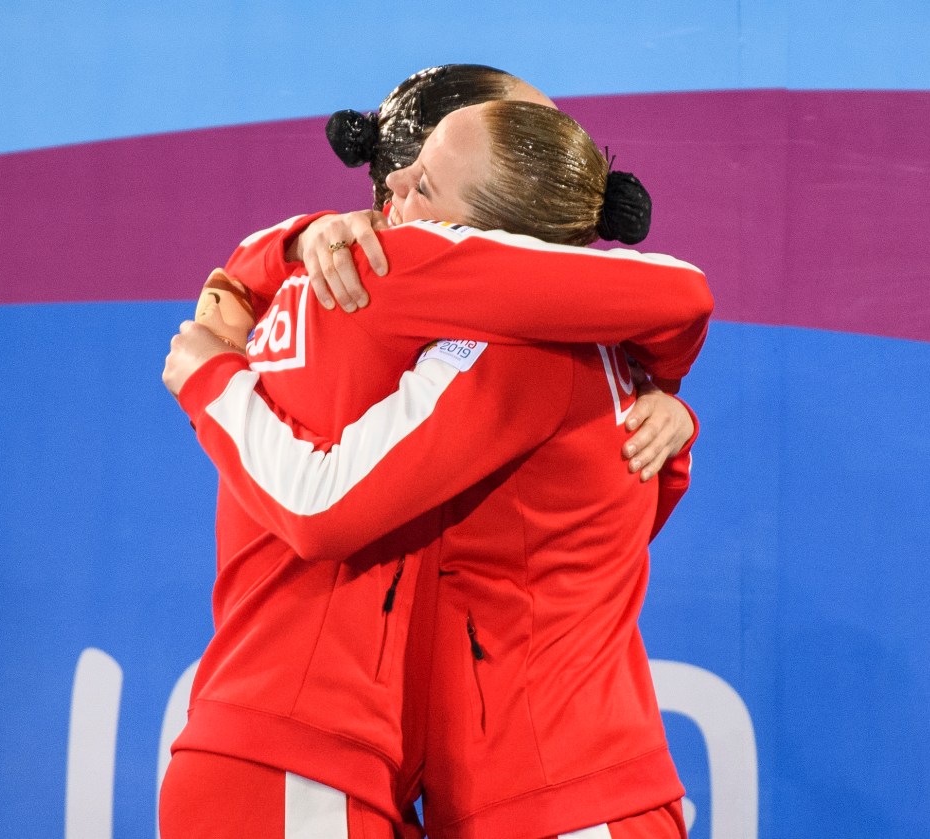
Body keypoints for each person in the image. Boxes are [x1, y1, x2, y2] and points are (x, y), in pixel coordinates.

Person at [161, 85, 711, 839]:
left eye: (423, 182)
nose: (391, 190)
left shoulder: (446, 304)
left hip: (543, 801)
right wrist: (669, 400)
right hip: (440, 783)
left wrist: (209, 375)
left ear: (483, 237)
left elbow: (320, 506)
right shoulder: (587, 350)